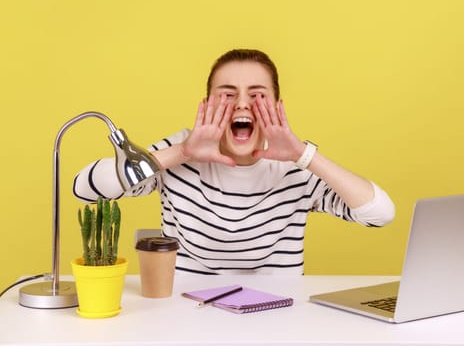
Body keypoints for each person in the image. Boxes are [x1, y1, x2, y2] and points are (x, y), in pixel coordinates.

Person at [73, 49, 395, 275]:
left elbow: (380, 214)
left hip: (277, 314)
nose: (242, 103)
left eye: (257, 94)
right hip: (184, 312)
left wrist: (302, 155)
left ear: (277, 106)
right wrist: (182, 152)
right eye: (227, 94)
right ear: (208, 104)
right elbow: (86, 188)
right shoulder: (180, 151)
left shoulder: (296, 166)